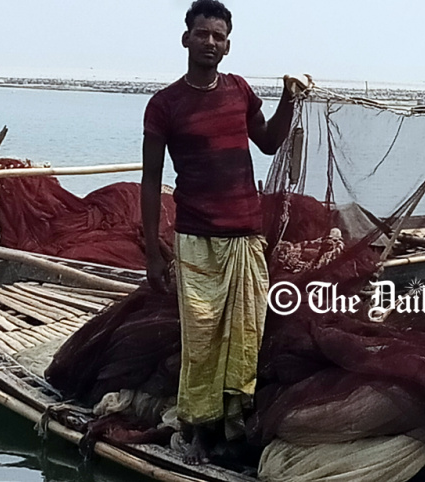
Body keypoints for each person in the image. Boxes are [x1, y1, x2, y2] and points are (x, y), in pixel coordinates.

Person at [140, 0, 306, 465]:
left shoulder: (239, 91)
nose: (210, 42)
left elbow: (270, 143)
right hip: (195, 239)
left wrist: (289, 99)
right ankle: (198, 429)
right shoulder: (164, 105)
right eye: (202, 33)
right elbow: (151, 180)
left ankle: (233, 427)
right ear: (186, 38)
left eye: (218, 36)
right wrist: (154, 253)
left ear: (228, 45)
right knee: (202, 339)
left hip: (247, 238)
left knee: (244, 336)